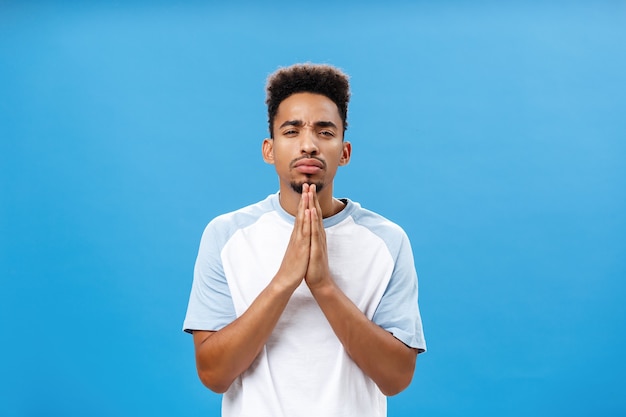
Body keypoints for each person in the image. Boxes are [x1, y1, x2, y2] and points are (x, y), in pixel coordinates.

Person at [183, 63, 426, 417]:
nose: (308, 145)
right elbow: (213, 374)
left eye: (325, 132)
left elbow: (397, 378)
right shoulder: (225, 235)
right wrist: (284, 281)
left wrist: (323, 286)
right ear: (270, 149)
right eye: (292, 131)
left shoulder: (387, 241)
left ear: (344, 151)